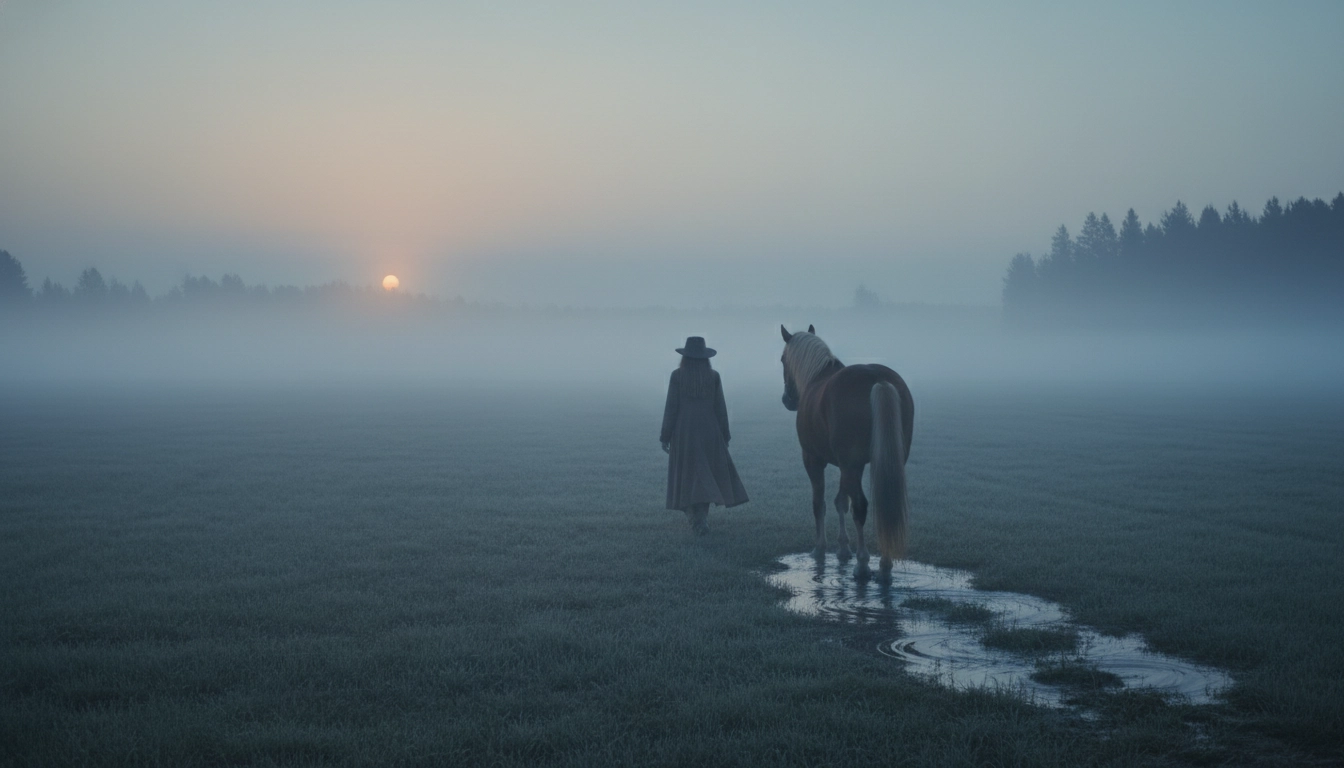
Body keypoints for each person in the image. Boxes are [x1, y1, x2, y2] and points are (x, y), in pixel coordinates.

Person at [660, 336, 748, 534]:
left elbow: (671, 408)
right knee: (705, 475)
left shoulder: (677, 376)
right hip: (709, 431)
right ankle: (700, 519)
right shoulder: (713, 376)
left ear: (685, 357)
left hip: (684, 432)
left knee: (687, 475)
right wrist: (724, 435)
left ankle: (696, 519)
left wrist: (665, 436)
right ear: (705, 357)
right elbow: (720, 408)